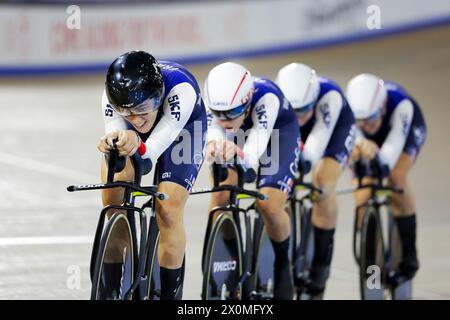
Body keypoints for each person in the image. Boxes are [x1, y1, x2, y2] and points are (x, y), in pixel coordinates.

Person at [97, 50, 207, 299]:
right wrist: (114, 146)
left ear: (157, 96)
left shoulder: (182, 90)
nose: (135, 117)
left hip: (182, 131)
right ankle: (111, 290)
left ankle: (170, 295)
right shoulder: (112, 96)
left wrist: (136, 142)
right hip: (138, 136)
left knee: (168, 209)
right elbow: (119, 149)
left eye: (142, 108)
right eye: (126, 111)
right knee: (113, 203)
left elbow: (147, 158)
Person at [204, 62, 302, 299]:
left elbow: (257, 144)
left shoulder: (267, 96)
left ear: (247, 103)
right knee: (220, 198)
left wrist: (242, 159)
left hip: (277, 137)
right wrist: (216, 148)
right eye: (220, 114)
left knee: (268, 204)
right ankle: (226, 261)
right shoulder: (215, 103)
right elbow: (214, 132)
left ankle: (282, 265)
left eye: (232, 112)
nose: (225, 119)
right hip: (239, 138)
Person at [276, 62, 356, 299]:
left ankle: (320, 267)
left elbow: (316, 144)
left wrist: (305, 159)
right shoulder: (277, 99)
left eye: (305, 111)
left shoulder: (329, 95)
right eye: (294, 111)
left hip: (333, 130)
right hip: (290, 129)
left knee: (322, 183)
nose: (300, 118)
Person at [346, 73, 426, 283]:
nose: (367, 125)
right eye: (360, 121)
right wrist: (360, 148)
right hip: (366, 143)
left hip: (403, 133)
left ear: (382, 109)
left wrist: (376, 156)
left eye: (371, 119)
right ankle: (370, 253)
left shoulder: (402, 105)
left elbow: (388, 159)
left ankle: (409, 256)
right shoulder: (352, 115)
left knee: (396, 178)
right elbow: (353, 140)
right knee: (362, 195)